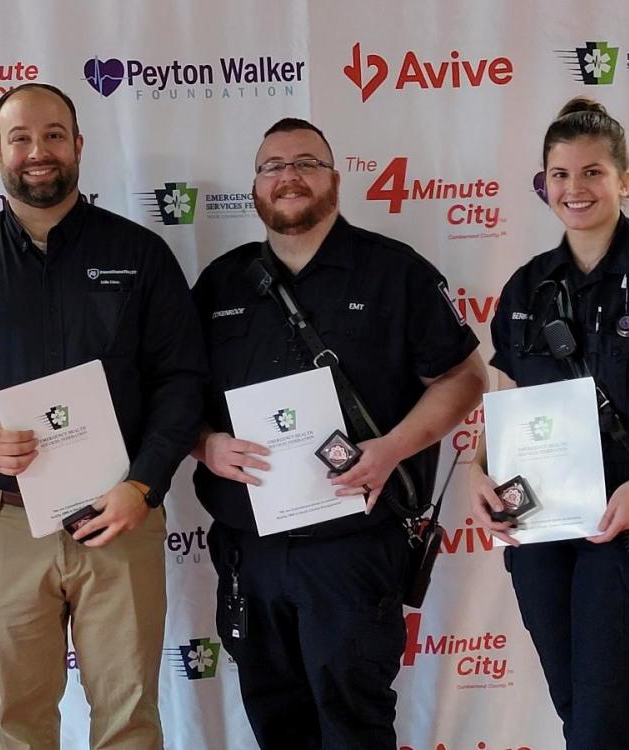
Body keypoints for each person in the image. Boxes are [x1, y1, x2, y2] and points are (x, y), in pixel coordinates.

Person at [0, 83, 206, 750]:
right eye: (22, 137)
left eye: (55, 135)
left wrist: (142, 485)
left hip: (121, 517)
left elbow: (182, 381)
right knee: (19, 725)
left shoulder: (140, 255)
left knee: (129, 722)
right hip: (5, 523)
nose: (39, 151)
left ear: (79, 145)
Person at [191, 118, 487, 749]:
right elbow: (173, 394)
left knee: (353, 726)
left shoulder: (394, 273)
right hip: (252, 550)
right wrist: (205, 443)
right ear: (255, 186)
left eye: (306, 163)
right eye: (272, 166)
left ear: (334, 179)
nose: (288, 176)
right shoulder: (221, 282)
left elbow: (465, 378)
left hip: (353, 549)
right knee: (277, 721)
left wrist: (392, 449)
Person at [469, 97, 629, 749]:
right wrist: (478, 473)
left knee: (601, 725)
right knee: (581, 717)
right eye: (560, 174)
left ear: (624, 179)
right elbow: (502, 405)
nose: (574, 188)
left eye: (591, 172)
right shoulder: (529, 286)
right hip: (541, 534)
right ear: (544, 183)